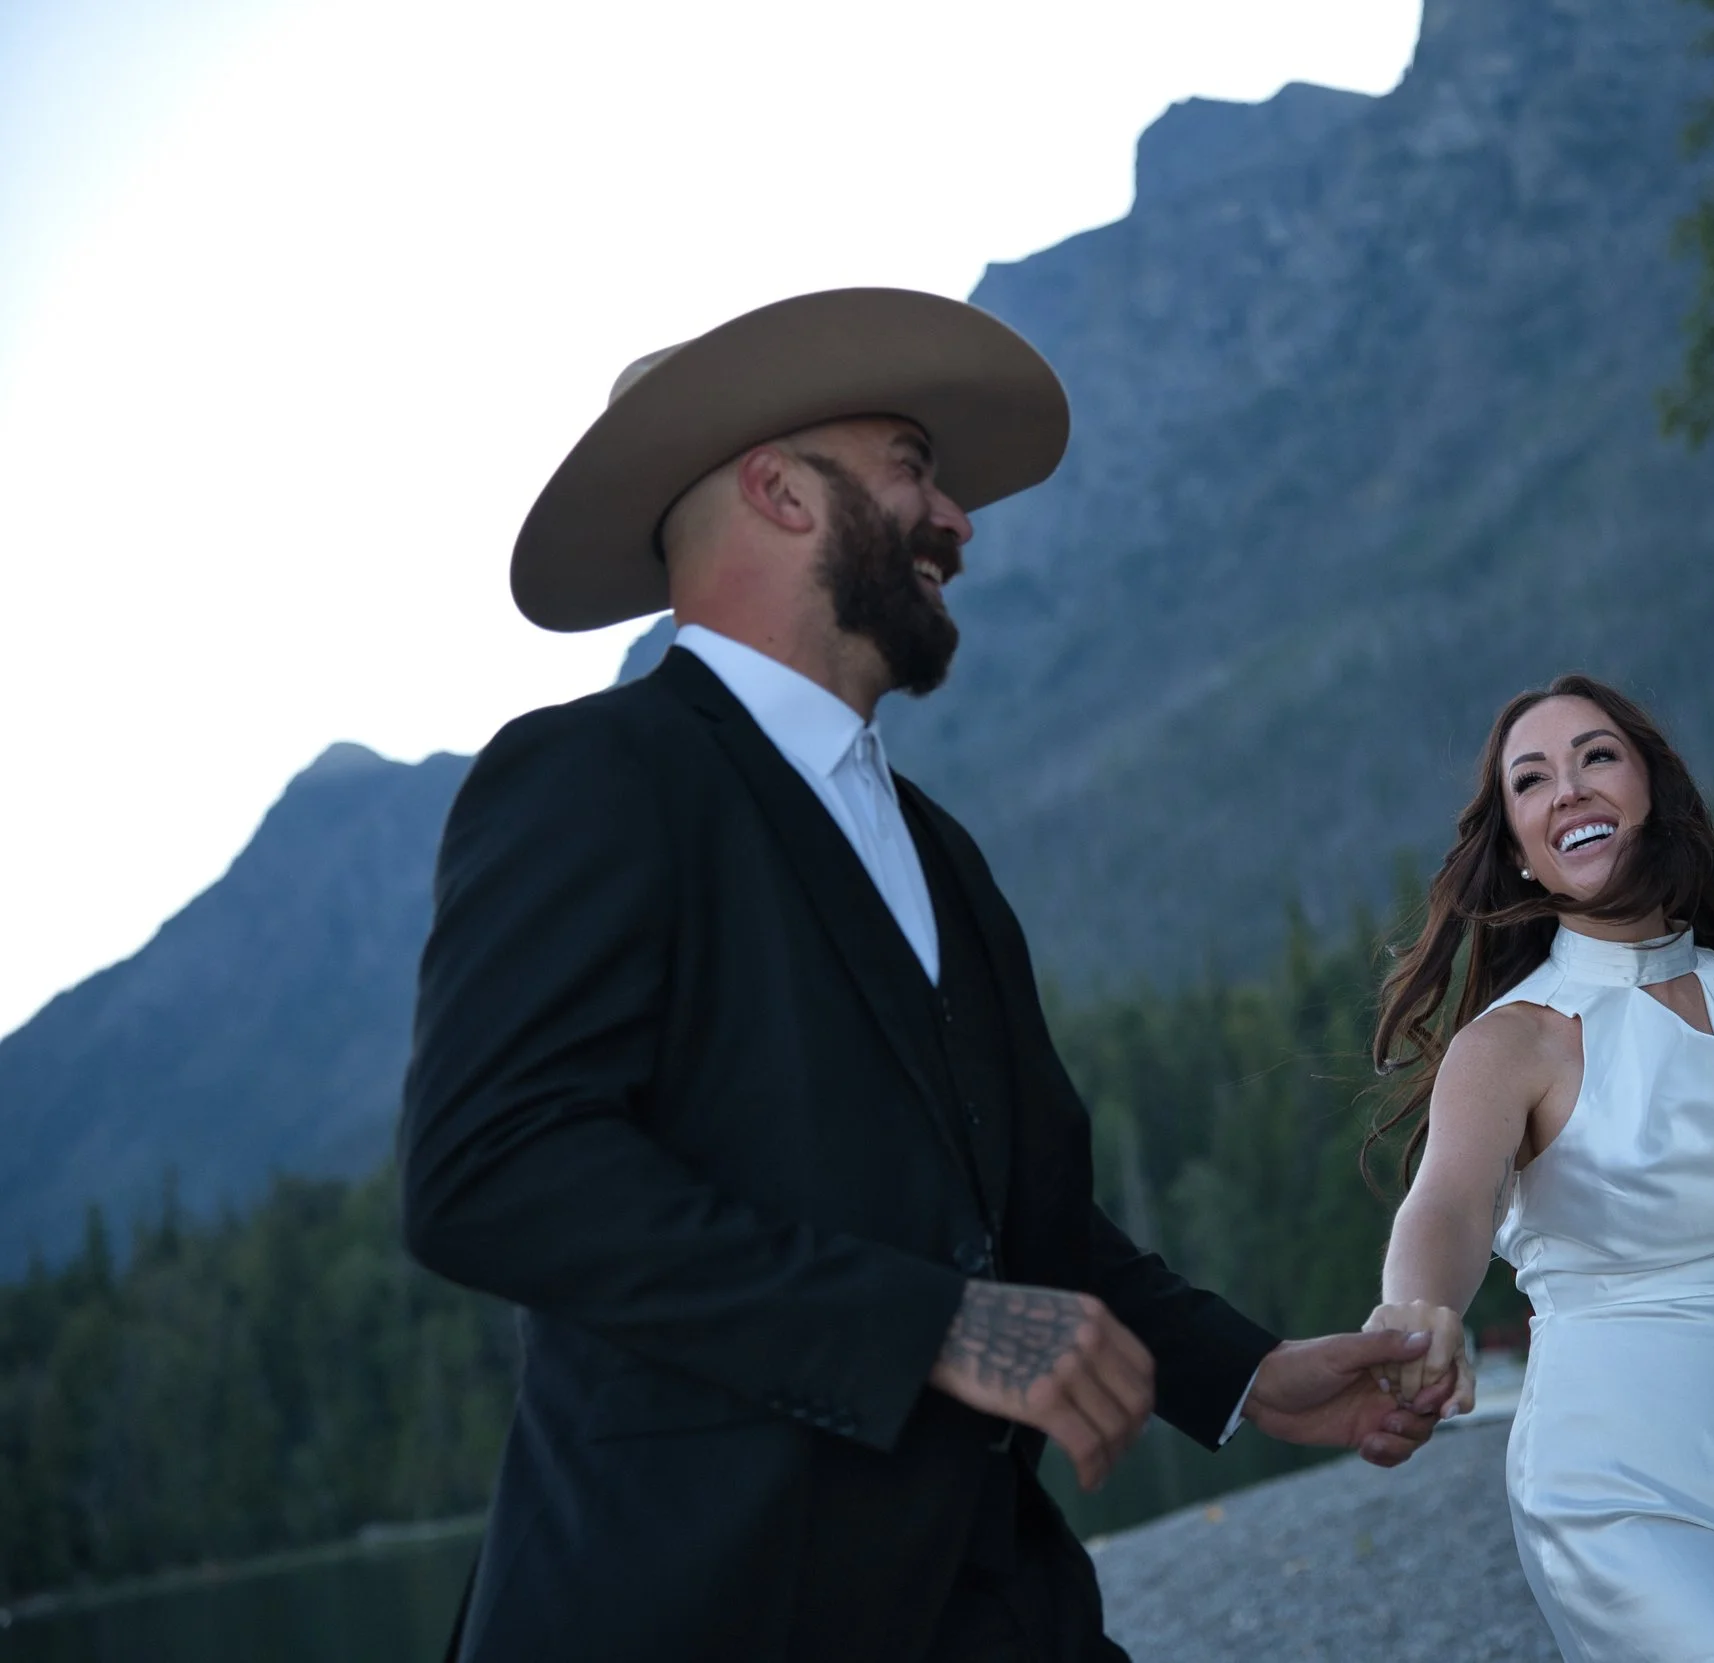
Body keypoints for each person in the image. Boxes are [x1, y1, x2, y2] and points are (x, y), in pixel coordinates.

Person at [398, 288, 1447, 1663]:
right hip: (690, 1606)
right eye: (911, 465)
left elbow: (1030, 1221)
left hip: (991, 1605)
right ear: (778, 490)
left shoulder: (940, 849)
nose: (957, 517)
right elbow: (491, 1165)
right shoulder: (592, 775)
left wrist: (1245, 1376)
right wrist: (928, 1325)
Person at [1362, 673, 1714, 1661]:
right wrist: (1418, 1307)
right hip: (1620, 1491)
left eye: (1596, 756)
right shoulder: (1515, 1043)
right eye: (1532, 781)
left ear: (1650, 788)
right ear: (1517, 851)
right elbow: (1449, 1205)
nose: (1569, 791)